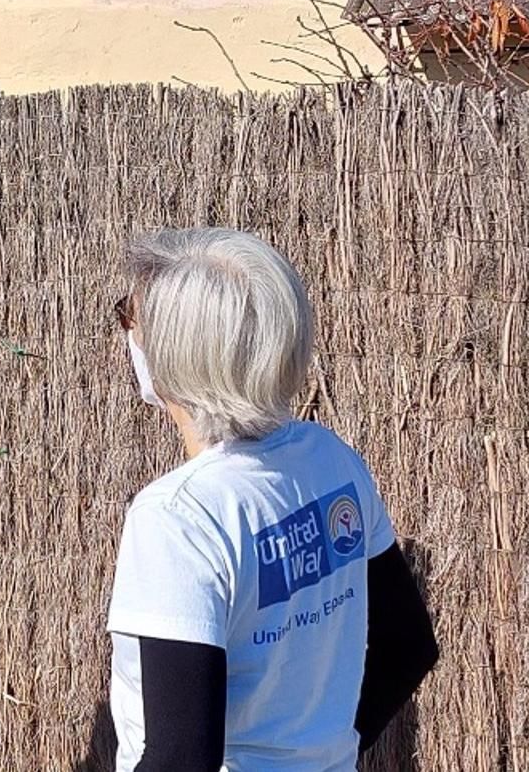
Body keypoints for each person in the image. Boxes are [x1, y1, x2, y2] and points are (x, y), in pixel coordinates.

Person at [107, 228, 439, 772]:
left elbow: (180, 759)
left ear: (178, 355)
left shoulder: (179, 518)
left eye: (130, 319)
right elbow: (408, 647)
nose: (129, 338)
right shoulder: (332, 462)